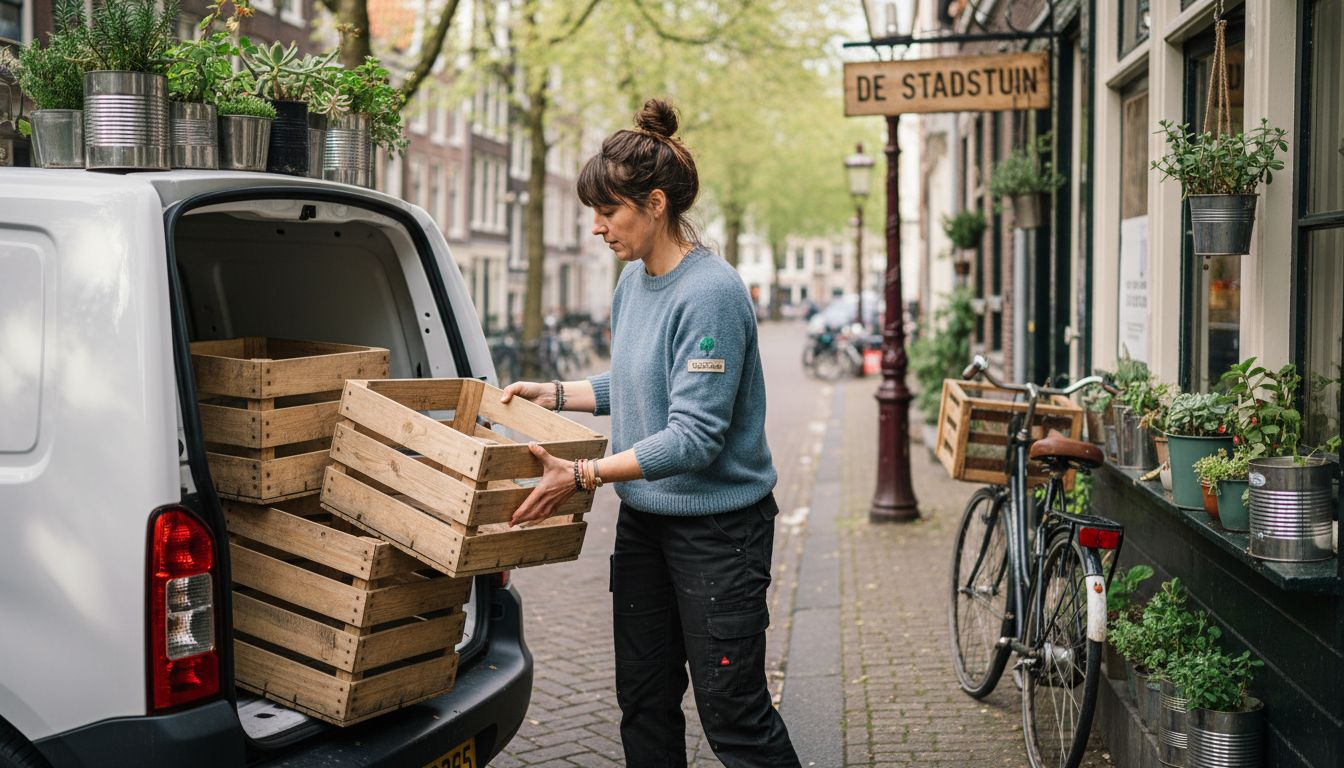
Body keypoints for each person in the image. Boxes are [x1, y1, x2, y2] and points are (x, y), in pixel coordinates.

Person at [499, 98, 801, 768]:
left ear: (655, 203)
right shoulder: (634, 283)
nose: (598, 228)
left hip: (719, 533)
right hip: (644, 527)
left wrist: (582, 475)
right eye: (594, 214)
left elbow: (694, 437)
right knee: (643, 701)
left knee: (735, 719)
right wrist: (552, 393)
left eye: (610, 212)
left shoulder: (712, 293)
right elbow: (639, 385)